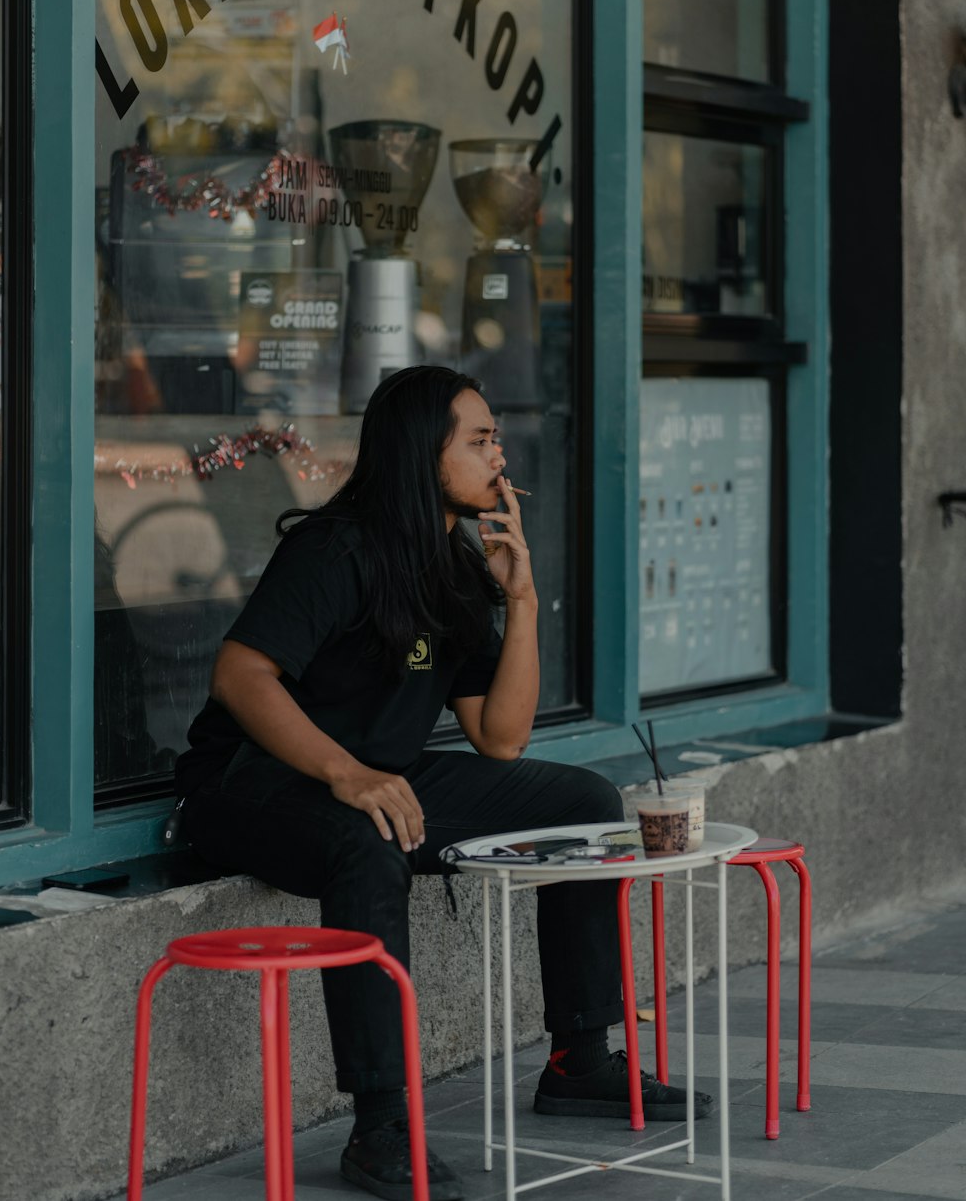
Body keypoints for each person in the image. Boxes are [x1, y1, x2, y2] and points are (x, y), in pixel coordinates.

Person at [175, 365, 711, 1201]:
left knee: (583, 803)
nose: (500, 454)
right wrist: (346, 772)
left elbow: (500, 737)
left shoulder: (456, 563)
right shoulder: (335, 548)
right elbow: (241, 676)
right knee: (368, 837)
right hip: (253, 782)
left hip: (380, 776)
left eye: (496, 436)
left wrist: (521, 600)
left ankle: (578, 1059)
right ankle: (381, 1121)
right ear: (425, 456)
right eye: (480, 438)